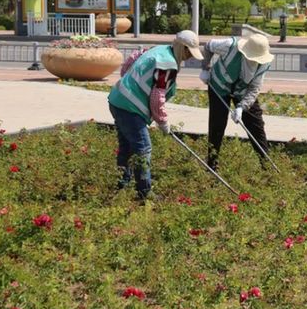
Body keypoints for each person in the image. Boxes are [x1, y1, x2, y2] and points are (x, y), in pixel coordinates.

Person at [108, 30, 203, 198]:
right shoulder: (168, 64)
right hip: (130, 108)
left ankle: (122, 185)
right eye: (189, 52)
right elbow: (157, 95)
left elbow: (129, 63)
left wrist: (129, 84)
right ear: (182, 48)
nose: (190, 57)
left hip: (117, 100)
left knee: (127, 148)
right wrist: (162, 121)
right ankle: (145, 193)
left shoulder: (159, 50)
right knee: (143, 149)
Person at [199, 34, 274, 170]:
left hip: (243, 92)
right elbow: (208, 46)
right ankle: (212, 165)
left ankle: (266, 165)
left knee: (256, 125)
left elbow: (254, 88)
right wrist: (205, 67)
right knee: (217, 125)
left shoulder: (264, 63)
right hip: (219, 87)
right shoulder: (230, 46)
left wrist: (242, 107)